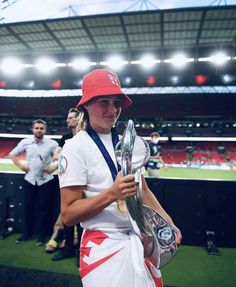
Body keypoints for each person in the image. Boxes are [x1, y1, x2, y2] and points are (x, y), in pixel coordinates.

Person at [58, 69, 182, 287]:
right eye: (104, 102)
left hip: (139, 241)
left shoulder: (128, 142)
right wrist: (112, 194)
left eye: (116, 103)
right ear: (85, 105)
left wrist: (168, 222)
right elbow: (68, 215)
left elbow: (143, 190)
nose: (113, 110)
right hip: (102, 246)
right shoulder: (74, 148)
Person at [9, 119, 58, 245]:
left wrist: (54, 167)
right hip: (29, 179)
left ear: (45, 130)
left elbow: (63, 156)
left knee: (43, 209)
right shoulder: (26, 142)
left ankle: (41, 235)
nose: (39, 130)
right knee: (28, 207)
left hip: (45, 181)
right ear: (33, 129)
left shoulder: (52, 143)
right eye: (37, 128)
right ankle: (27, 233)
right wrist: (21, 166)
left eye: (41, 128)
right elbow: (12, 154)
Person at [46, 108, 84, 264]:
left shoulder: (85, 137)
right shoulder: (66, 137)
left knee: (82, 218)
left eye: (70, 118)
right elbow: (56, 156)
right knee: (68, 217)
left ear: (78, 119)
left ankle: (81, 253)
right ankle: (68, 248)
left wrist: (67, 155)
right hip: (67, 181)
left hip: (83, 182)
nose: (67, 120)